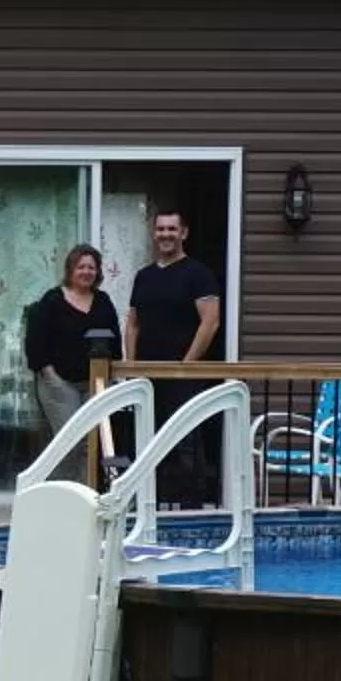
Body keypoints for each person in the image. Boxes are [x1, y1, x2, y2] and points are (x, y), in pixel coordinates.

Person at [125, 209, 224, 504]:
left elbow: (211, 321)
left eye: (172, 229)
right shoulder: (144, 276)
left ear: (184, 233)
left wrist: (186, 365)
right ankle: (150, 506)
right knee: (147, 443)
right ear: (154, 234)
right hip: (147, 377)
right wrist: (131, 366)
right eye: (160, 229)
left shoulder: (197, 273)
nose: (165, 234)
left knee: (185, 445)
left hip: (183, 376)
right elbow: (132, 323)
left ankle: (188, 514)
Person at [22, 243, 120, 443]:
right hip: (60, 384)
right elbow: (35, 342)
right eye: (81, 267)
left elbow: (115, 339)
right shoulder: (52, 300)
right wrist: (50, 374)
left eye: (91, 267)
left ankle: (86, 477)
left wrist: (113, 375)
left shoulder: (103, 301)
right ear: (70, 270)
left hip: (96, 383)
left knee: (93, 445)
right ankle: (64, 476)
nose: (86, 272)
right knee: (69, 443)